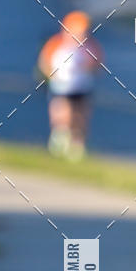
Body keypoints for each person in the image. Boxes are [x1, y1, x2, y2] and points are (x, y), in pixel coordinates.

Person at [38, 11, 103, 160]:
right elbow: (45, 62)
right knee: (63, 113)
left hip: (82, 86)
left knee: (81, 115)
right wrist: (53, 76)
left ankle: (77, 145)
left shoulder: (90, 46)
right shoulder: (57, 44)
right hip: (62, 87)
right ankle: (60, 139)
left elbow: (97, 64)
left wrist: (89, 70)